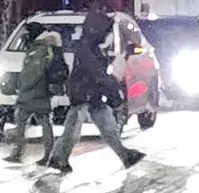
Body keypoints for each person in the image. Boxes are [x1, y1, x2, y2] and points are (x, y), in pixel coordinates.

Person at [46, 9, 145, 173]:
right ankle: (58, 159)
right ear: (97, 31)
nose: (107, 36)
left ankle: (125, 156)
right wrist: (113, 87)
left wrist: (111, 90)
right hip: (82, 94)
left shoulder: (93, 48)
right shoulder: (86, 49)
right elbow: (97, 73)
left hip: (92, 94)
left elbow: (99, 74)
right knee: (73, 131)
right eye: (105, 32)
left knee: (106, 128)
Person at [3, 22, 60, 164]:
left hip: (35, 92)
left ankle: (26, 153)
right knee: (40, 122)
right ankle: (46, 154)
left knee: (28, 120)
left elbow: (33, 73)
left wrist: (22, 86)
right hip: (37, 92)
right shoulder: (41, 47)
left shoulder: (40, 49)